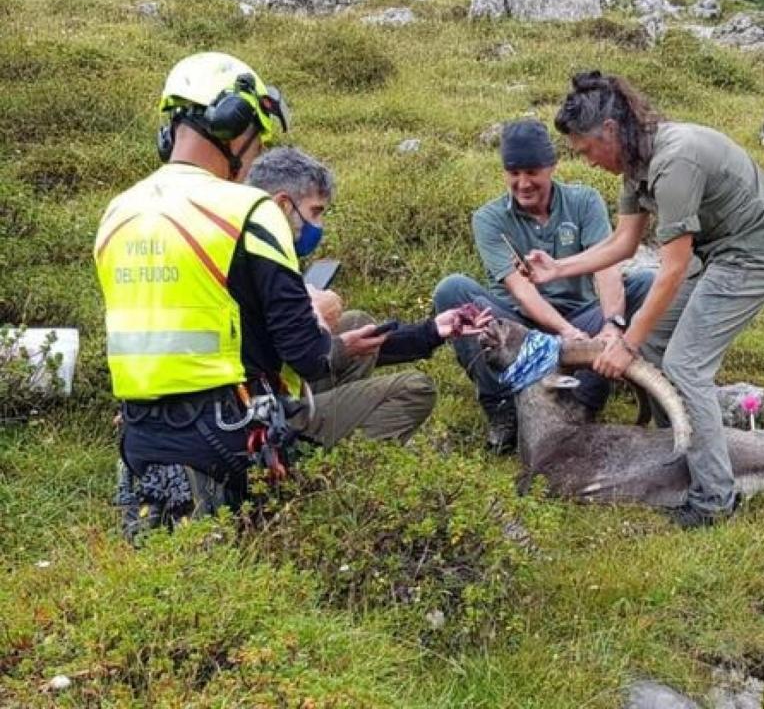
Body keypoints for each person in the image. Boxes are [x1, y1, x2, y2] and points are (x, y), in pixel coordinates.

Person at [94, 53, 480, 532]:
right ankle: (312, 507)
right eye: (257, 144)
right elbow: (308, 356)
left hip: (139, 441)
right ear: (236, 126)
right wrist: (319, 322)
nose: (254, 158)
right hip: (228, 435)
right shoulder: (249, 209)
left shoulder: (118, 211)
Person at [525, 71, 764, 529]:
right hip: (714, 252)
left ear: (609, 131)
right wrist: (558, 267)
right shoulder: (634, 165)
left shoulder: (675, 163)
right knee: (656, 348)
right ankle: (672, 448)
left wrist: (626, 341)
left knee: (687, 364)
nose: (587, 160)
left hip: (755, 255)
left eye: (587, 149)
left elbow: (671, 269)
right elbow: (624, 244)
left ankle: (714, 498)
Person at [245, 146, 488, 450]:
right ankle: (321, 463)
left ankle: (330, 426)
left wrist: (430, 332)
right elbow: (307, 357)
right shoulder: (266, 259)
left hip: (271, 389)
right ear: (282, 205)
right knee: (416, 388)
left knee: (357, 322)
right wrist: (315, 315)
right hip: (262, 411)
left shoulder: (241, 243)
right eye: (315, 211)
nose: (318, 225)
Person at [433, 119, 655, 451]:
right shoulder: (489, 218)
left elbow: (607, 267)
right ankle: (502, 408)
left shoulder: (584, 201)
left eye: (532, 172)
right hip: (518, 325)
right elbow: (521, 290)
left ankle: (583, 400)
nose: (523, 183)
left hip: (583, 315)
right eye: (513, 172)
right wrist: (566, 332)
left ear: (552, 166)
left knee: (646, 284)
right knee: (453, 291)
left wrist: (611, 324)